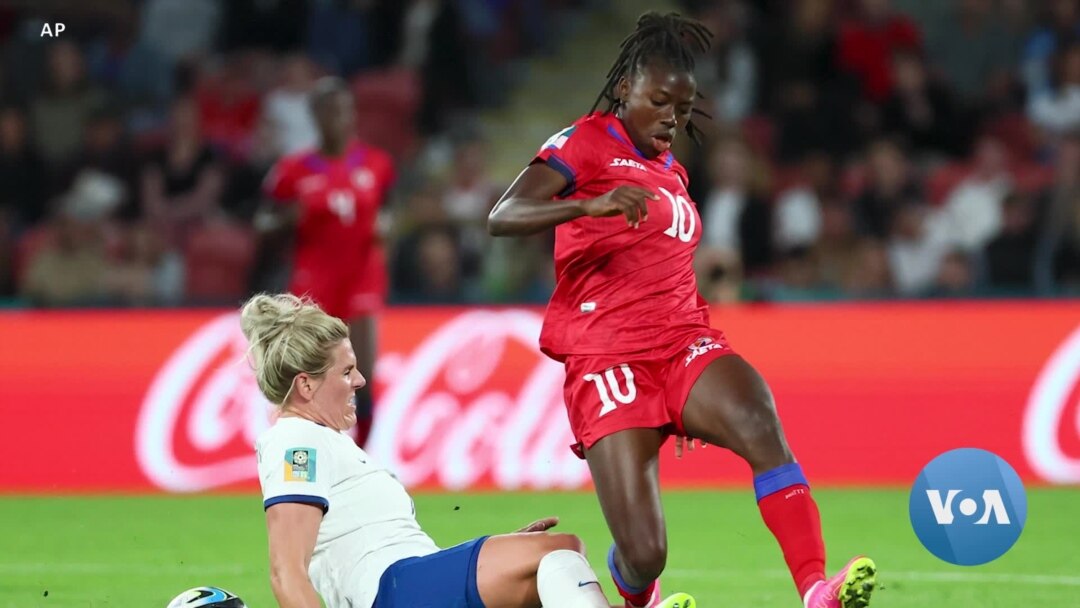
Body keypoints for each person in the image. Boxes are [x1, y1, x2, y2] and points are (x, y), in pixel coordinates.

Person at [488, 12, 876, 608]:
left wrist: (687, 396)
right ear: (625, 89)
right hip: (607, 358)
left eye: (684, 107)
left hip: (681, 344)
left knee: (758, 421)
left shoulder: (674, 173)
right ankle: (639, 595)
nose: (673, 117)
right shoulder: (583, 144)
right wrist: (588, 209)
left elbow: (667, 268)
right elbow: (503, 217)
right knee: (645, 554)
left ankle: (815, 590)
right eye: (660, 101)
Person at [241, 293, 696, 608]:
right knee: (557, 552)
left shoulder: (321, 442)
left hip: (408, 584)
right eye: (347, 372)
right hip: (390, 591)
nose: (360, 381)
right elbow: (287, 572)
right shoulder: (295, 442)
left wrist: (494, 557)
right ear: (305, 385)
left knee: (543, 574)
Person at [260, 77, 391, 448]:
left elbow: (389, 211)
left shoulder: (376, 164)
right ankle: (309, 451)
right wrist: (288, 218)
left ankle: (362, 456)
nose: (338, 119)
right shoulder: (293, 170)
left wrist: (387, 228)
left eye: (344, 110)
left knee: (361, 375)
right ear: (315, 116)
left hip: (362, 278)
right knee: (309, 377)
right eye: (329, 111)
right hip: (313, 283)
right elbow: (262, 223)